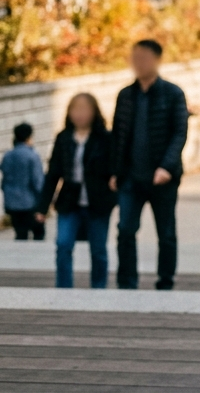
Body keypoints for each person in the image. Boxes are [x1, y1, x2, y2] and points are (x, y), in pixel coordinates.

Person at [112, 39, 188, 290]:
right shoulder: (125, 95)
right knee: (125, 230)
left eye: (144, 57)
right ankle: (126, 280)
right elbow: (118, 136)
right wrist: (115, 170)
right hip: (131, 177)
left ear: (157, 59)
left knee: (165, 232)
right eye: (135, 57)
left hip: (162, 177)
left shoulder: (173, 93)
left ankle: (165, 279)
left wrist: (166, 167)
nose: (138, 63)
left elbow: (179, 133)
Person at [41, 94, 117, 288]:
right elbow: (53, 174)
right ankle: (64, 287)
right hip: (69, 201)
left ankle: (99, 287)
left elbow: (115, 168)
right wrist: (42, 207)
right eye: (76, 109)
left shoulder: (105, 139)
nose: (80, 114)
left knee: (98, 249)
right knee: (63, 244)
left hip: (98, 201)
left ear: (94, 112)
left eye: (85, 109)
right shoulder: (64, 138)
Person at [1, 124, 45, 240]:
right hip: (29, 203)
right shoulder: (32, 156)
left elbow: (5, 179)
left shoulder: (7, 156)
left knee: (20, 234)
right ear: (29, 137)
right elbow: (38, 182)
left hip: (12, 202)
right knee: (38, 232)